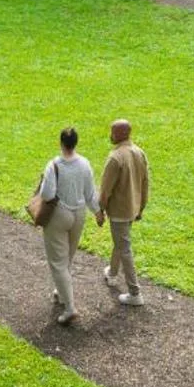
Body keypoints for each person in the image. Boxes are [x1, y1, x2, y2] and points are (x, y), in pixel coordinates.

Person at [36, 127, 97, 325]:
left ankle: (70, 307)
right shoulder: (85, 164)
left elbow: (46, 194)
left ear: (61, 143)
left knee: (58, 262)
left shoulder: (53, 165)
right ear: (76, 143)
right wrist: (97, 212)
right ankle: (61, 292)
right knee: (68, 257)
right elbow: (90, 193)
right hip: (79, 214)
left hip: (59, 214)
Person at [96, 118, 150, 307]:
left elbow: (105, 189)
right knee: (121, 241)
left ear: (118, 134)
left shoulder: (115, 157)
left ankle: (135, 292)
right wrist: (141, 206)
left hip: (119, 209)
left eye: (112, 131)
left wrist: (99, 210)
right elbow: (145, 183)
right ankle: (112, 273)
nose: (110, 135)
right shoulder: (139, 153)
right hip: (133, 208)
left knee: (124, 247)